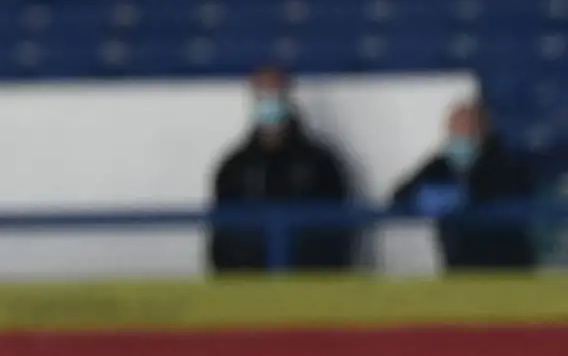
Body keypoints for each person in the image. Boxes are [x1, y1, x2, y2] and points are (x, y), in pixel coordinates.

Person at [209, 66, 355, 272]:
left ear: (288, 98)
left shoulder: (321, 163)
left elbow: (340, 228)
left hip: (310, 283)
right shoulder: (235, 167)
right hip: (249, 285)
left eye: (276, 94)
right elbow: (221, 234)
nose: (270, 102)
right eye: (264, 95)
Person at [390, 100, 536, 271]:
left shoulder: (506, 162)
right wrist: (423, 196)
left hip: (508, 268)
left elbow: (512, 190)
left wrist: (469, 196)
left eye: (466, 129)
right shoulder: (441, 165)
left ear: (482, 131)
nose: (460, 137)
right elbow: (399, 194)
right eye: (454, 130)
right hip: (460, 267)